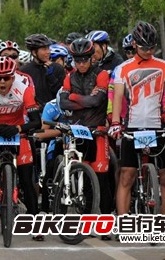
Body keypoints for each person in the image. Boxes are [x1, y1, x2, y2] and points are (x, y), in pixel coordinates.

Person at [111, 21, 165, 217]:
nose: (149, 51)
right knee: (127, 176)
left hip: (156, 126)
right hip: (132, 127)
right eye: (144, 47)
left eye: (152, 47)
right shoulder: (123, 68)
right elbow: (117, 97)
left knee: (164, 177)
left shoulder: (164, 66)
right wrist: (115, 123)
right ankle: (123, 220)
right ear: (134, 44)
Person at [0, 56, 43, 240]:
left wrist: (18, 128)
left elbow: (36, 121)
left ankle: (36, 225)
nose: (1, 82)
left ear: (13, 76)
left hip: (17, 133)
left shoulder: (24, 89)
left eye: (6, 77)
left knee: (26, 181)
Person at [59, 38, 113, 235]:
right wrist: (83, 100)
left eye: (84, 59)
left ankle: (106, 222)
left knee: (101, 178)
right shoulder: (69, 77)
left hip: (97, 131)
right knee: (85, 178)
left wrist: (74, 98)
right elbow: (63, 103)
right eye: (77, 60)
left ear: (92, 58)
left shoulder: (101, 74)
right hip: (78, 132)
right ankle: (89, 220)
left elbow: (98, 100)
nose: (80, 63)